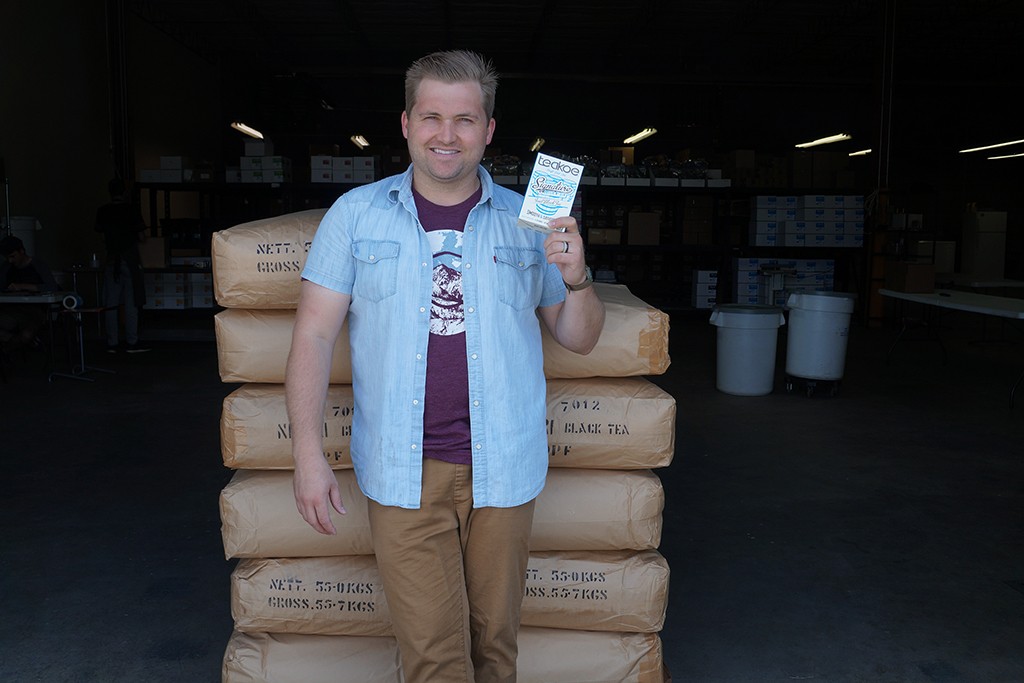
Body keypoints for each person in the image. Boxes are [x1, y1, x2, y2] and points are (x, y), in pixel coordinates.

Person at [286, 50, 605, 682]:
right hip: (404, 470)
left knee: (495, 651)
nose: (446, 134)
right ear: (405, 123)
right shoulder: (356, 214)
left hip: (504, 467)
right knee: (435, 658)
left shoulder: (529, 220)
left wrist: (578, 278)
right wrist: (307, 453)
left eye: (464, 119)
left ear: (488, 129)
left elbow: (580, 339)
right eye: (431, 116)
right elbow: (314, 336)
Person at [94, 178, 150, 353]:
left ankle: (113, 342)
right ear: (125, 192)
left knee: (111, 303)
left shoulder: (102, 211)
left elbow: (103, 237)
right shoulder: (131, 210)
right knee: (131, 302)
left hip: (112, 259)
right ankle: (132, 341)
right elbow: (141, 237)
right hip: (130, 259)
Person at [0, 234, 58, 350]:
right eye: (7, 257)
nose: (10, 261)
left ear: (21, 251)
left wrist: (23, 286)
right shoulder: (6, 268)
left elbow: (52, 287)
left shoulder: (38, 265)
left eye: (13, 256)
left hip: (34, 311)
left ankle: (12, 348)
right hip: (11, 310)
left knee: (26, 334)